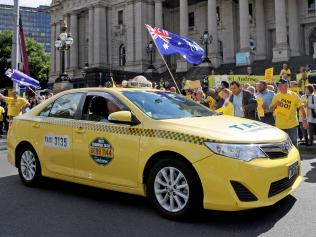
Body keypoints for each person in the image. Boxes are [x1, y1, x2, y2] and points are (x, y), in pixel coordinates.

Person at [270, 79, 308, 147]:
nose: (279, 87)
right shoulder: (276, 96)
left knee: (293, 144)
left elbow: (301, 108)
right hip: (280, 125)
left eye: (281, 85)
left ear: (287, 86)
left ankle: (295, 157)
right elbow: (271, 109)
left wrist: (304, 120)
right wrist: (275, 105)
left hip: (292, 124)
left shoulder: (294, 95)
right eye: (279, 86)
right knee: (281, 145)